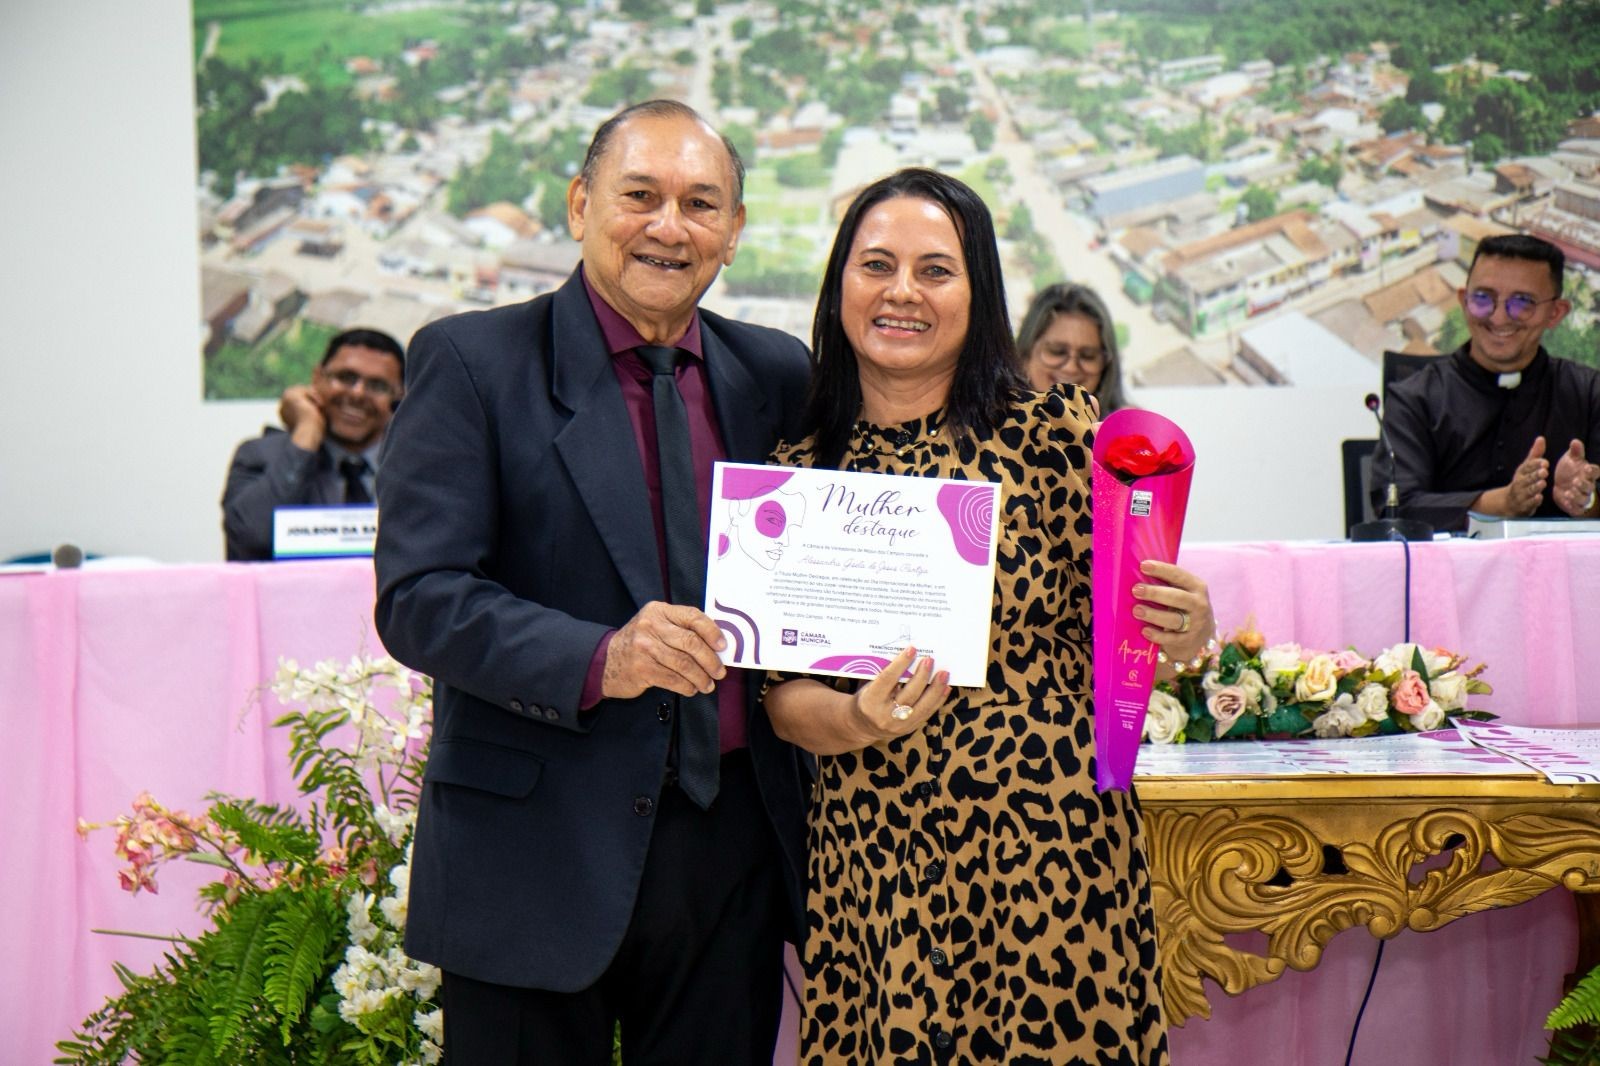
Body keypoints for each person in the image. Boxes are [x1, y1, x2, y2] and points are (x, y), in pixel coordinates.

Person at [372, 100, 812, 1065]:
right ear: (579, 204)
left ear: (733, 233)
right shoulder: (472, 361)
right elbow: (420, 595)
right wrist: (601, 657)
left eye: (701, 203)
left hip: (729, 849)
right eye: (639, 196)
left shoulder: (775, 375)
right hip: (531, 847)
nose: (669, 226)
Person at [764, 168, 1211, 1064]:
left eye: (936, 270)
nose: (901, 293)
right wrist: (854, 717)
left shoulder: (1062, 439)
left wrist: (1186, 627)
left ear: (979, 293)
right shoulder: (799, 465)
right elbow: (781, 698)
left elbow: (1136, 639)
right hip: (876, 862)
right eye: (876, 265)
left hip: (1048, 854)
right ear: (839, 283)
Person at [1374, 234, 1600, 532]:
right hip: (1446, 575)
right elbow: (1396, 509)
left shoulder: (1587, 393)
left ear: (1555, 313)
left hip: (1556, 575)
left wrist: (1584, 501)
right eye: (1483, 299)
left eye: (1522, 303)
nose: (1499, 317)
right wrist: (1501, 504)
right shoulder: (1416, 397)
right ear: (1463, 301)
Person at [220, 327, 406, 561]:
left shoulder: (417, 467)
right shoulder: (259, 456)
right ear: (317, 377)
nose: (358, 394)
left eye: (377, 386)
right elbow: (250, 540)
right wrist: (307, 431)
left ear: (400, 396)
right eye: (346, 378)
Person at [1016, 281, 1129, 415]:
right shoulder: (993, 426)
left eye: (1088, 356)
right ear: (1026, 353)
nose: (1071, 368)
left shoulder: (1127, 431)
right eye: (1057, 351)